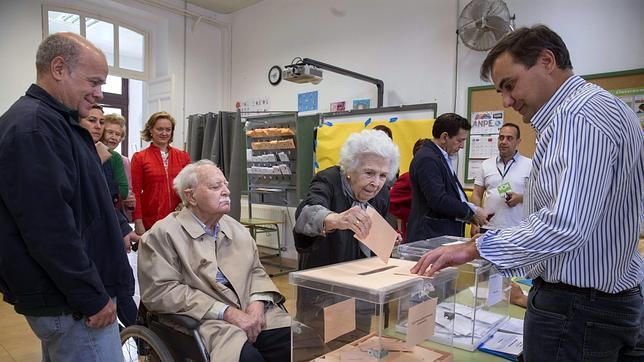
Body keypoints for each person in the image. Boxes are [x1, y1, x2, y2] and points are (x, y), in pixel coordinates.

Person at [411, 25, 643, 361]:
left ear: (547, 61)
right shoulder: (599, 109)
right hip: (597, 301)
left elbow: (566, 223)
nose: (506, 100)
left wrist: (475, 247)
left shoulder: (580, 116)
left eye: (510, 85)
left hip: (578, 307)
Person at [0, 32, 132, 360]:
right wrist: (92, 296)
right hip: (74, 304)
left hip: (73, 298)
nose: (98, 93)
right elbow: (49, 229)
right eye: (94, 81)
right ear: (59, 68)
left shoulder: (57, 123)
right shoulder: (34, 128)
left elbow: (85, 200)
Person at [138, 160, 291, 362]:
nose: (226, 191)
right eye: (215, 187)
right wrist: (226, 312)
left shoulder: (236, 229)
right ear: (190, 196)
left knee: (296, 340)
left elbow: (255, 270)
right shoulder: (163, 234)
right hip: (202, 317)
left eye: (225, 185)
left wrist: (257, 303)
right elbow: (161, 291)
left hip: (247, 308)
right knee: (246, 358)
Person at [293, 129, 400, 271]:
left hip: (362, 274)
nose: (376, 183)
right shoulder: (328, 180)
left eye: (383, 175)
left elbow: (373, 239)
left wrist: (386, 241)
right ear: (350, 168)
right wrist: (336, 219)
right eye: (369, 173)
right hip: (325, 274)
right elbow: (307, 212)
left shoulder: (382, 194)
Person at [406, 113, 489, 242]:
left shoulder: (440, 157)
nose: (462, 146)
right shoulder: (428, 159)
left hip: (439, 233)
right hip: (429, 235)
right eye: (459, 140)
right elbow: (438, 200)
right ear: (445, 137)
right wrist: (471, 211)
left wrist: (470, 214)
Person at [131, 111, 191, 235]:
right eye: (159, 129)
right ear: (151, 130)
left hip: (179, 219)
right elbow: (135, 192)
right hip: (151, 221)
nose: (164, 133)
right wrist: (138, 222)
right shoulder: (140, 158)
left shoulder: (183, 157)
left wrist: (185, 202)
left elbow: (190, 187)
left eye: (168, 129)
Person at [470, 123, 532, 235]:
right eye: (501, 137)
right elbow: (477, 194)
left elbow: (539, 195)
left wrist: (520, 198)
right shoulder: (486, 165)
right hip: (488, 227)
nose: (503, 142)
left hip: (517, 229)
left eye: (509, 138)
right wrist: (475, 222)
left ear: (518, 142)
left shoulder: (530, 165)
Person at [389, 138, 429, 242]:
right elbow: (390, 202)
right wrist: (413, 216)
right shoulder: (408, 178)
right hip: (415, 234)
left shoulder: (434, 177)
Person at [101, 113, 136, 217]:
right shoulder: (114, 157)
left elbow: (126, 192)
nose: (114, 137)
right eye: (110, 132)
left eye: (118, 134)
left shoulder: (122, 160)